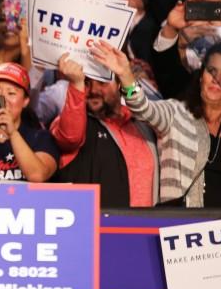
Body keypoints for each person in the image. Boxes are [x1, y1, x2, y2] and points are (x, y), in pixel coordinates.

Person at [93, 41, 221, 208]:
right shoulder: (174, 112)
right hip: (181, 226)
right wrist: (126, 76)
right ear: (202, 75)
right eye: (212, 71)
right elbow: (142, 107)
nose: (217, 79)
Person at [49, 53, 158, 207]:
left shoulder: (143, 125)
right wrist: (76, 85)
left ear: (119, 84)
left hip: (147, 227)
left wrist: (126, 76)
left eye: (102, 82)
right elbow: (70, 136)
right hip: (95, 228)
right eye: (87, 82)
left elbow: (139, 102)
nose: (93, 90)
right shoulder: (68, 122)